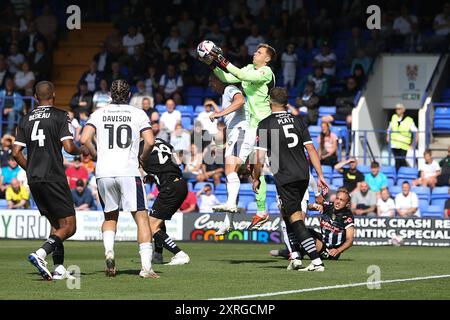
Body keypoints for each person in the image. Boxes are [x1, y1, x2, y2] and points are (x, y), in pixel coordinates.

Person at [80, 79, 158, 279]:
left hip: (104, 172)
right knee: (141, 218)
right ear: (129, 95)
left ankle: (109, 252)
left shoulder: (98, 113)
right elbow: (150, 141)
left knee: (110, 217)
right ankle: (146, 268)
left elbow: (84, 139)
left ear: (110, 96)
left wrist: (96, 154)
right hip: (128, 171)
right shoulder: (138, 114)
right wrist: (141, 159)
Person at [12, 81, 85, 280]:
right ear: (53, 95)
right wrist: (82, 151)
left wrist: (32, 169)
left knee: (56, 224)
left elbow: (16, 152)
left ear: (36, 97)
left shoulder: (25, 119)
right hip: (53, 176)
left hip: (34, 179)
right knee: (69, 226)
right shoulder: (61, 116)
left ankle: (59, 267)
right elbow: (69, 147)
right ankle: (41, 253)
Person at [253, 87, 329, 272]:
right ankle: (295, 257)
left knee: (295, 218)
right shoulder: (298, 120)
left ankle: (316, 261)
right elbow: (311, 149)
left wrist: (256, 178)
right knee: (287, 213)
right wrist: (320, 175)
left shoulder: (265, 123)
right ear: (286, 102)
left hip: (285, 176)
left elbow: (259, 159)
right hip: (303, 175)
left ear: (270, 101)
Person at [204, 42, 277, 231]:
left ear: (267, 59)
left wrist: (221, 58)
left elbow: (242, 76)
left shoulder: (266, 72)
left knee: (271, 167)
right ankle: (261, 211)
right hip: (253, 126)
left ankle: (298, 197)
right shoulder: (250, 68)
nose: (255, 53)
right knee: (254, 169)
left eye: (259, 52)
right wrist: (212, 63)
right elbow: (228, 76)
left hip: (265, 124)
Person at [207, 75, 260, 231]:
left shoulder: (230, 89)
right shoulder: (225, 95)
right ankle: (227, 222)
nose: (211, 84)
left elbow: (240, 101)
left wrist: (219, 113)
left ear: (221, 80)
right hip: (237, 135)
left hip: (241, 133)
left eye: (212, 81)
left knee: (230, 171)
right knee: (231, 177)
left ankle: (231, 206)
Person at [140, 137, 190, 266]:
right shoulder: (163, 141)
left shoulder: (138, 147)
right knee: (158, 221)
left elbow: (141, 171)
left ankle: (179, 254)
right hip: (180, 184)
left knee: (151, 226)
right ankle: (158, 254)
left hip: (169, 187)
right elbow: (178, 162)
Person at [302, 189, 355, 260]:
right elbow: (307, 207)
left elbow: (350, 240)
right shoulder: (328, 206)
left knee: (310, 239)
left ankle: (301, 253)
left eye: (342, 200)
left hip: (330, 250)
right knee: (302, 232)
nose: (338, 202)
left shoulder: (347, 216)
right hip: (322, 240)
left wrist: (338, 250)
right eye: (337, 198)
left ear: (347, 204)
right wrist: (315, 205)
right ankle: (295, 251)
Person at [387, 104, 418, 171]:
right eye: (396, 109)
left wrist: (414, 144)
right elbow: (389, 128)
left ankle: (405, 173)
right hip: (394, 144)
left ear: (403, 110)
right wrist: (387, 137)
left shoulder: (409, 120)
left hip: (404, 145)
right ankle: (398, 175)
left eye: (399, 109)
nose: (397, 110)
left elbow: (415, 132)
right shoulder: (393, 117)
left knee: (402, 160)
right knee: (397, 161)